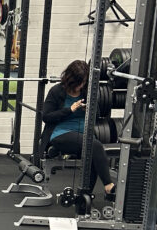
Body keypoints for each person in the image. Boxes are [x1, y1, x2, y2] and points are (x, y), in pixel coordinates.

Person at [39, 58, 115, 199]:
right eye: (79, 82)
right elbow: (47, 117)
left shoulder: (86, 92)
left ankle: (84, 195)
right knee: (95, 145)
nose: (81, 85)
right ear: (70, 79)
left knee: (93, 154)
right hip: (60, 133)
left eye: (83, 82)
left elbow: (98, 114)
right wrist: (70, 109)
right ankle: (109, 186)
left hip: (83, 134)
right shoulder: (56, 91)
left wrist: (90, 109)